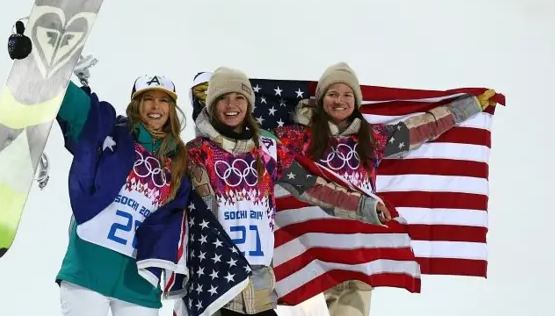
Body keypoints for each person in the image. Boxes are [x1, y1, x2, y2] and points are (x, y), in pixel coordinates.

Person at [272, 62, 497, 316]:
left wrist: (471, 106)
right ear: (321, 99)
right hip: (304, 250)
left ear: (356, 101)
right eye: (332, 94)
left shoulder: (372, 139)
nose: (339, 100)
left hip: (353, 256)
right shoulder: (292, 138)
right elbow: (246, 145)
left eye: (347, 95)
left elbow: (426, 127)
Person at [186, 66, 391, 316]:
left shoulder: (269, 150)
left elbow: (315, 188)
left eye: (239, 97)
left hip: (259, 285)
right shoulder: (195, 153)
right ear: (211, 105)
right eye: (222, 98)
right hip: (216, 284)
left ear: (249, 104)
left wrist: (363, 205)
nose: (232, 104)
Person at [53, 74, 192, 316]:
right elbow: (81, 112)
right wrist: (49, 74)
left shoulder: (179, 165)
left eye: (164, 101)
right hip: (89, 269)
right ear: (136, 104)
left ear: (172, 109)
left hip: (138, 283)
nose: (155, 107)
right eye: (147, 99)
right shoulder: (113, 134)